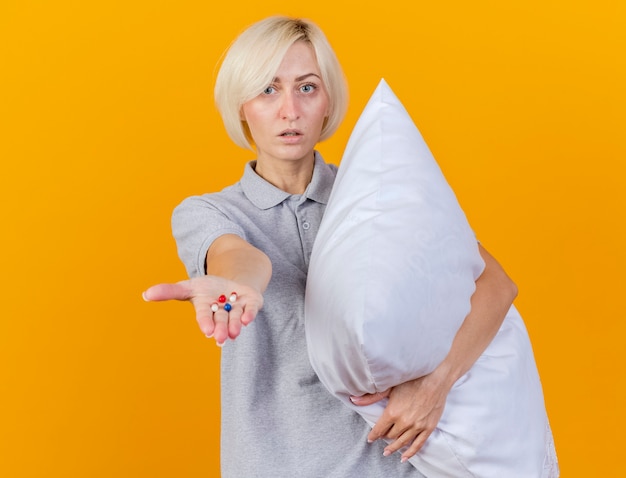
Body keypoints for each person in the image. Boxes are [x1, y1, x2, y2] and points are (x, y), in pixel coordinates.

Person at [143, 15, 518, 477]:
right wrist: (236, 287)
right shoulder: (210, 212)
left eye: (306, 88)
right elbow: (238, 257)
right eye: (267, 89)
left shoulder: (377, 195)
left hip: (390, 466)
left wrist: (434, 387)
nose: (289, 110)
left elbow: (497, 285)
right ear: (241, 105)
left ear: (327, 102)